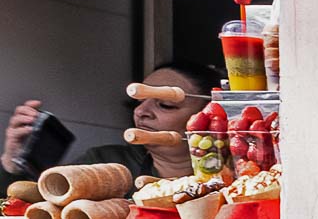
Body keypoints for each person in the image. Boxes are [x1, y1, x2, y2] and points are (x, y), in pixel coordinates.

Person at [0, 62, 223, 195]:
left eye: (165, 104)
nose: (141, 112)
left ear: (209, 116)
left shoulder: (237, 174)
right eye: (139, 101)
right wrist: (13, 163)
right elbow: (25, 209)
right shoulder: (104, 164)